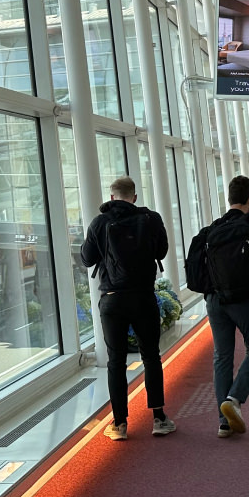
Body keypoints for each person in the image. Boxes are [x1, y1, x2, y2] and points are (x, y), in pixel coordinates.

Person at [81, 176, 173, 441]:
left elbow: (87, 258)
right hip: (143, 296)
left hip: (112, 299)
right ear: (134, 197)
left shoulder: (100, 222)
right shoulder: (151, 218)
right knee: (151, 356)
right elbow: (163, 251)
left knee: (116, 360)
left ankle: (120, 423)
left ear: (111, 198)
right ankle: (159, 418)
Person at [199, 175, 249, 439]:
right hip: (243, 299)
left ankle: (223, 422)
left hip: (214, 299)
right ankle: (234, 398)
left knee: (222, 356)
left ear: (229, 198)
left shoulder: (215, 226)